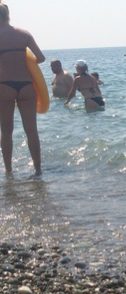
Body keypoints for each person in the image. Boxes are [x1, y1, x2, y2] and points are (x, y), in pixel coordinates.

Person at [0, 1, 44, 176]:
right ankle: (38, 170)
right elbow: (40, 58)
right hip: (26, 85)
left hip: (4, 86)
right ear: (8, 15)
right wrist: (25, 61)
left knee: (6, 131)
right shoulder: (24, 34)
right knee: (31, 130)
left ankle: (9, 171)